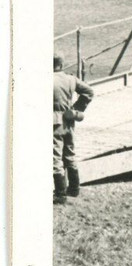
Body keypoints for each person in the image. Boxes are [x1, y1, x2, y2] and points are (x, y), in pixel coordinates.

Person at [53, 56, 94, 204]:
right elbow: (89, 92)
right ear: (62, 64)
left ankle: (60, 194)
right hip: (69, 121)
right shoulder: (71, 79)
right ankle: (74, 188)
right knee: (69, 154)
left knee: (55, 157)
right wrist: (77, 109)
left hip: (53, 123)